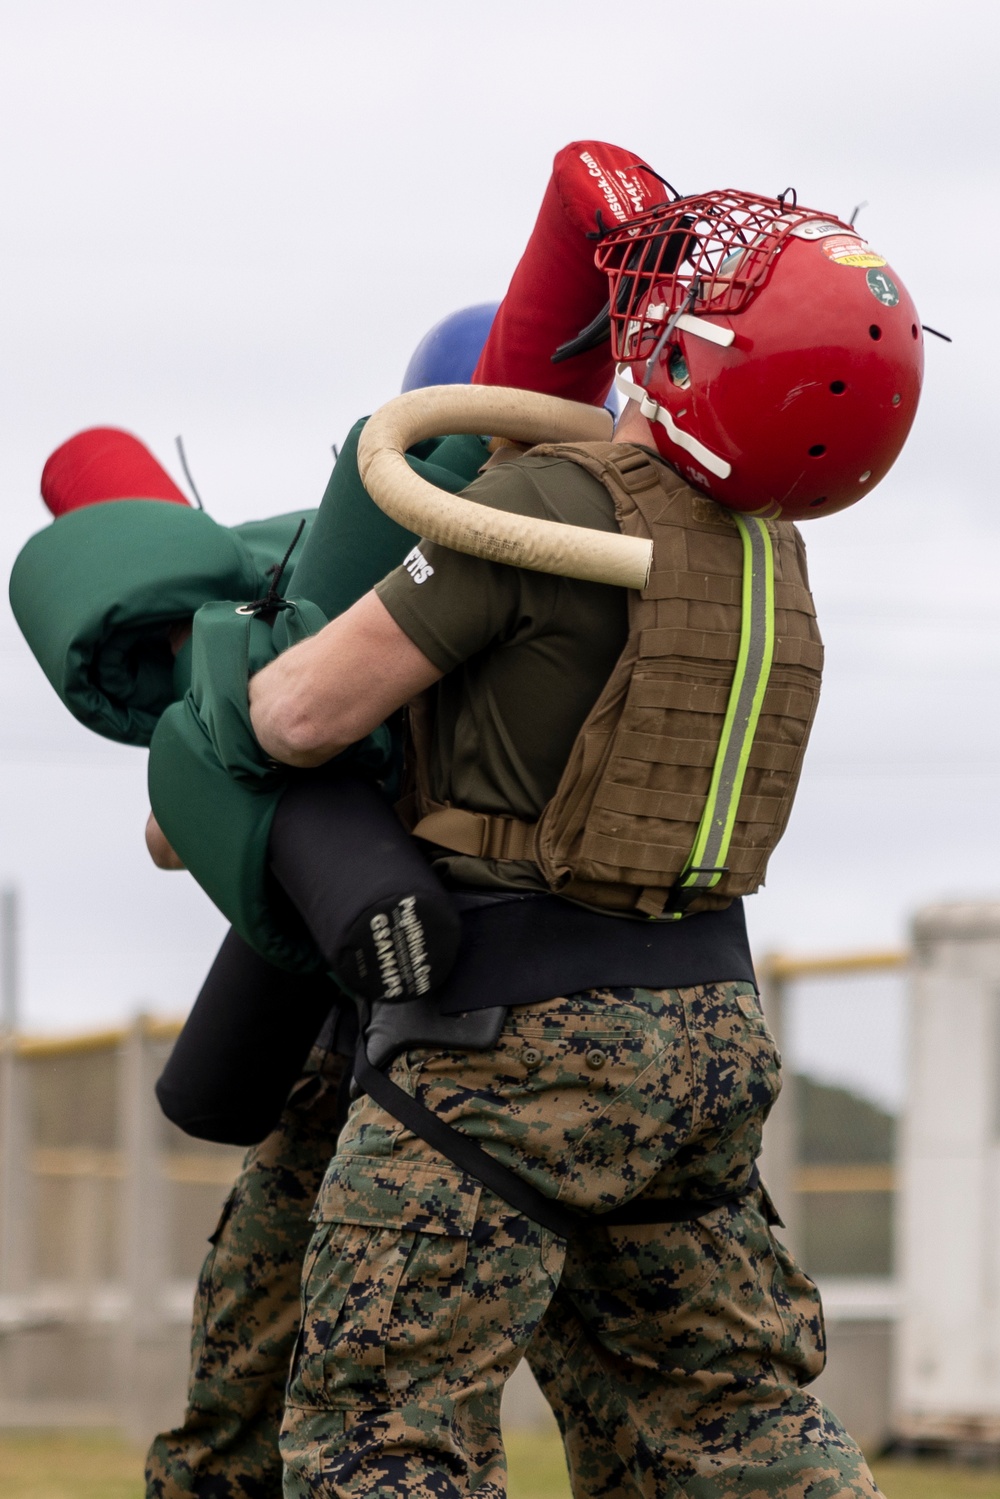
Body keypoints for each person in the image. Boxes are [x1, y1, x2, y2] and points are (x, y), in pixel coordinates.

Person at [237, 186, 923, 1497]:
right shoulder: (766, 550)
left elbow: (305, 711)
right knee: (730, 1431)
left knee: (382, 1435)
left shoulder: (555, 495)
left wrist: (248, 679)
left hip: (509, 1040)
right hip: (708, 1042)